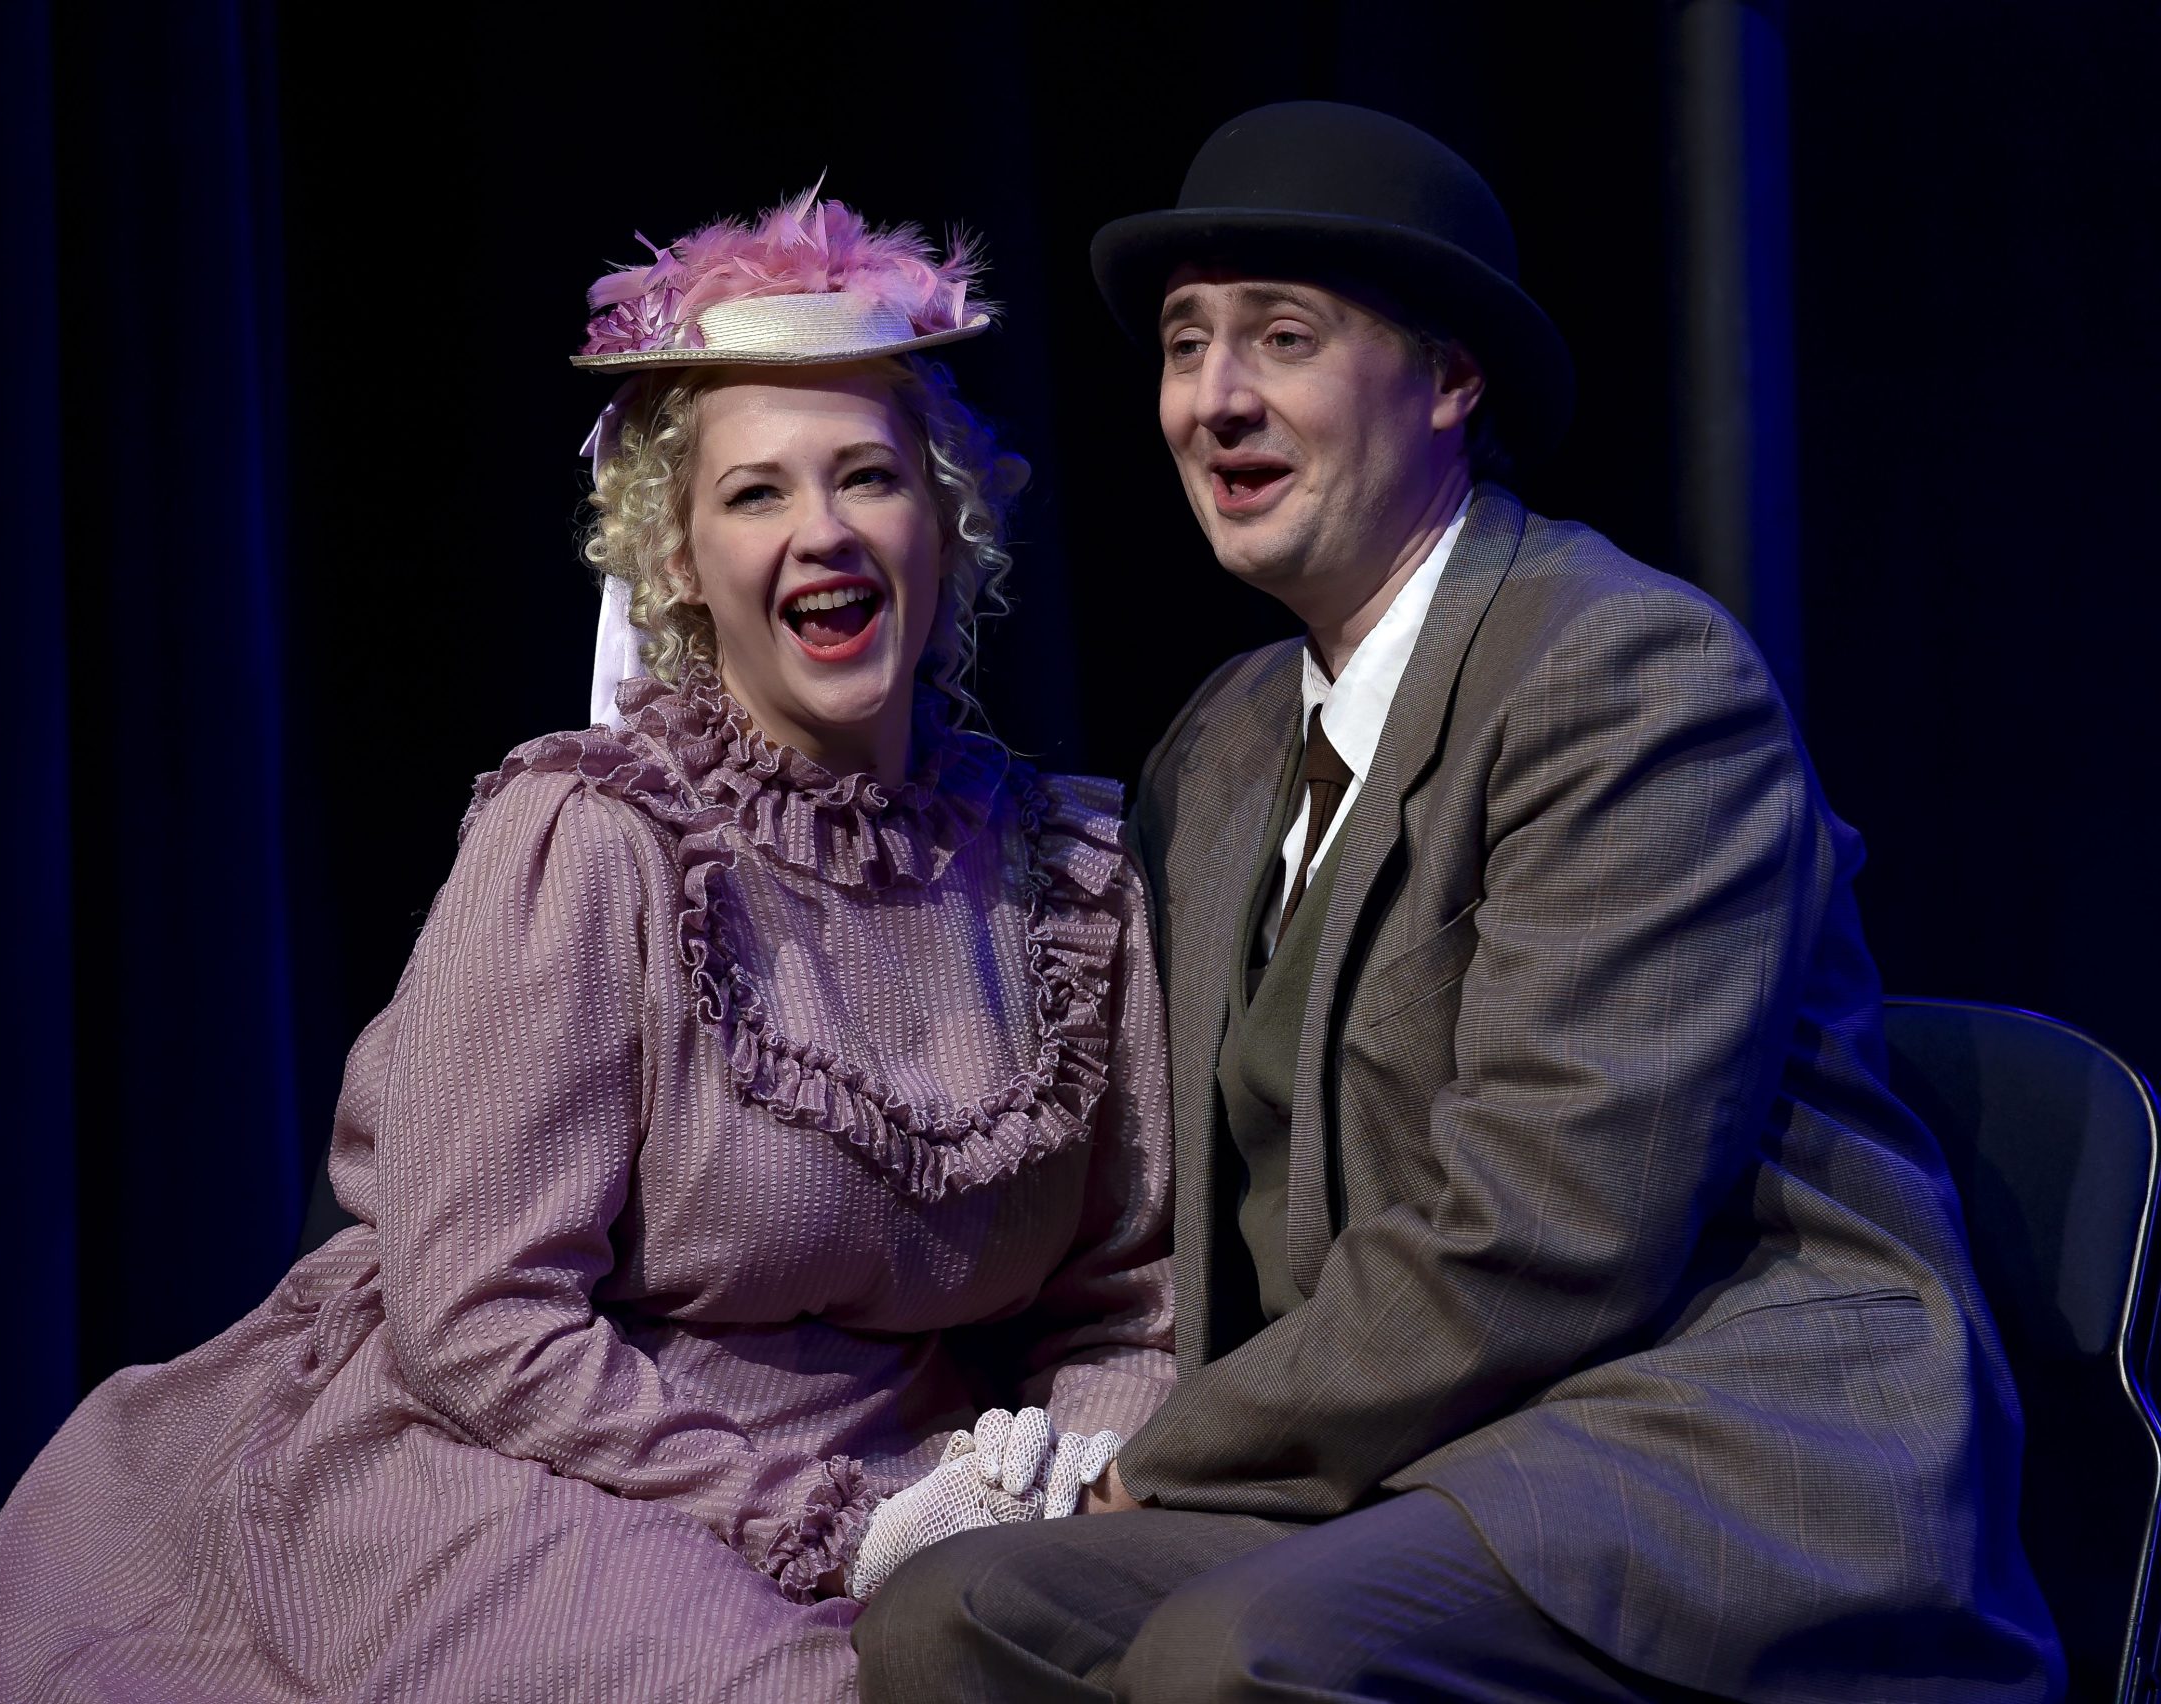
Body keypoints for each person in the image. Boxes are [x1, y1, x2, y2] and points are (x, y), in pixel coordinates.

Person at [856, 102, 2062, 1704]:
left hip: (1683, 1445)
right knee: (949, 1617)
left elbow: (1548, 1234)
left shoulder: (1627, 680)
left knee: (1238, 1656)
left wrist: (1142, 1472)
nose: (1215, 398)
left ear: (1448, 381)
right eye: (1186, 344)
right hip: (1408, 1464)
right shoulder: (1220, 748)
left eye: (1283, 338)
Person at [0, 191, 1175, 1704]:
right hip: (545, 1461)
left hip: (921, 1481)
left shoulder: (1061, 874)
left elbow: (1129, 1295)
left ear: (943, 523)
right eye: (756, 494)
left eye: (867, 477)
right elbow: (481, 1316)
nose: (823, 530)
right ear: (679, 562)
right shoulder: (591, 841)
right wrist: (837, 1530)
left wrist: (1078, 1484)